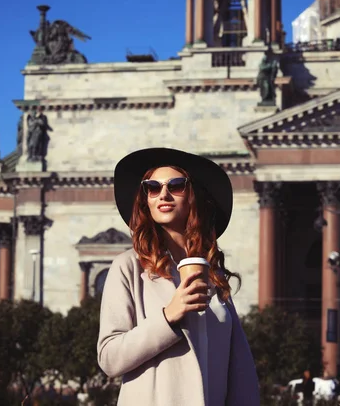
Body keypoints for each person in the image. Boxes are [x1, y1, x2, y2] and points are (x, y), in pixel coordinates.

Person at [97, 148, 260, 406]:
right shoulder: (128, 267)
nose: (163, 194)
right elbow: (109, 357)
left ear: (193, 196)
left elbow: (241, 372)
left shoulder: (213, 275)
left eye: (176, 185)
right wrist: (168, 317)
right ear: (146, 200)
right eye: (152, 187)